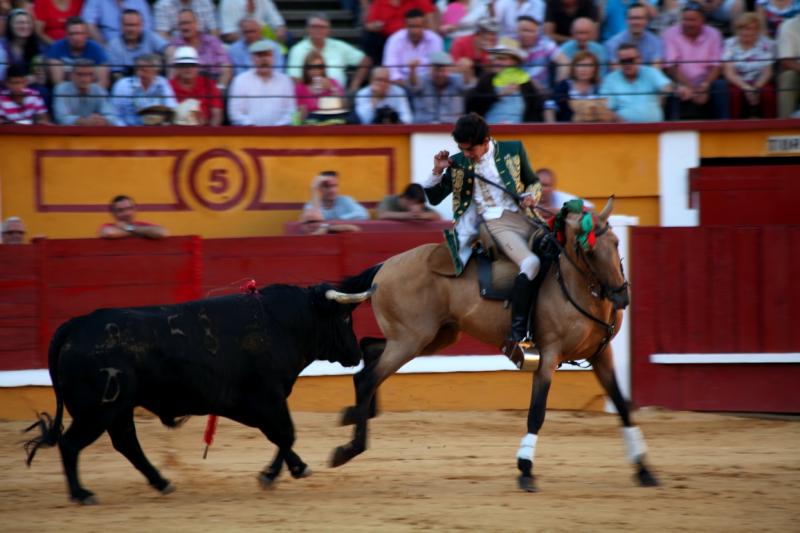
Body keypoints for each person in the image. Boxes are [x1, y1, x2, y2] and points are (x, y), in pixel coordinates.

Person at [423, 113, 546, 366]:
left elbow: (533, 183)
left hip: (522, 217)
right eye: (462, 149)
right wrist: (437, 169)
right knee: (531, 264)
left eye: (470, 149)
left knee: (554, 251)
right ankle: (517, 335)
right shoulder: (457, 163)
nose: (466, 154)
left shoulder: (513, 150)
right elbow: (434, 198)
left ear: (486, 140)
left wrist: (532, 196)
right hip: (490, 223)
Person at [662, 2, 728, 120]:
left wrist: (705, 85)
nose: (688, 24)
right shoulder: (670, 33)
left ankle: (724, 128)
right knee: (671, 88)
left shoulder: (714, 34)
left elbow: (717, 66)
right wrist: (690, 88)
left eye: (693, 20)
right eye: (685, 20)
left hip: (706, 82)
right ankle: (673, 129)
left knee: (720, 86)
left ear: (702, 21)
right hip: (681, 82)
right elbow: (671, 66)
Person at [287, 13, 371, 94]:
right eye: (314, 26)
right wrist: (318, 85)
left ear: (329, 30)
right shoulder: (297, 49)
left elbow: (366, 60)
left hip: (338, 99)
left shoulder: (339, 46)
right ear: (307, 29)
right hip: (309, 100)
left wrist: (355, 85)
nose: (318, 30)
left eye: (322, 27)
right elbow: (294, 79)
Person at [466, 40, 544, 124]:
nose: (497, 62)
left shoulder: (525, 81)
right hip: (491, 131)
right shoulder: (486, 79)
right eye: (495, 58)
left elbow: (535, 111)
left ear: (514, 61)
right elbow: (472, 107)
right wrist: (498, 95)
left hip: (520, 132)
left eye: (502, 59)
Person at [228, 39, 296, 126]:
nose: (264, 59)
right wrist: (254, 129)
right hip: (249, 135)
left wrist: (276, 129)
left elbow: (291, 112)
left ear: (274, 58)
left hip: (279, 135)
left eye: (267, 55)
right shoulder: (240, 80)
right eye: (259, 55)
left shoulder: (285, 81)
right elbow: (235, 113)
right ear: (252, 58)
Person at [600, 43, 673, 122]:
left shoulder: (651, 72)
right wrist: (625, 124)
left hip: (654, 130)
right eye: (623, 61)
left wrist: (669, 91)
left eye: (630, 60)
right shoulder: (611, 79)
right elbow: (605, 109)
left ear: (640, 59)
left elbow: (667, 87)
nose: (627, 64)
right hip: (623, 131)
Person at [722, 12, 777, 119]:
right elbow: (729, 73)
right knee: (734, 94)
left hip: (760, 81)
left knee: (768, 93)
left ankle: (771, 125)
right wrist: (746, 87)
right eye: (743, 28)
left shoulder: (766, 44)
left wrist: (755, 88)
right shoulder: (729, 44)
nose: (746, 32)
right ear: (737, 30)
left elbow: (767, 72)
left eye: (751, 29)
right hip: (738, 82)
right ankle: (733, 127)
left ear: (758, 31)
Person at [165, 8, 231, 86]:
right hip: (187, 87)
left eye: (188, 23)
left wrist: (220, 88)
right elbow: (173, 77)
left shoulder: (212, 41)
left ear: (197, 24)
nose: (184, 27)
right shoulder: (174, 46)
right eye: (181, 24)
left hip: (214, 85)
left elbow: (226, 68)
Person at [381, 8, 444, 86]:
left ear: (425, 25)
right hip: (400, 84)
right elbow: (390, 68)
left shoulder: (435, 39)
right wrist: (405, 85)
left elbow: (436, 67)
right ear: (404, 26)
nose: (414, 31)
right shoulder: (394, 40)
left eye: (418, 26)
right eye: (411, 27)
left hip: (428, 85)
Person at [111, 53, 177, 125]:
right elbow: (115, 115)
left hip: (157, 131)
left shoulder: (163, 84)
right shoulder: (123, 85)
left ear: (155, 71)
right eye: (138, 70)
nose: (140, 74)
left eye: (144, 70)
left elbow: (172, 107)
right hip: (128, 131)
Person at [106, 8, 169, 81]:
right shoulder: (113, 45)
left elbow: (169, 49)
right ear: (121, 26)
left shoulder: (150, 37)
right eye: (127, 25)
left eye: (134, 25)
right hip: (128, 85)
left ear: (141, 25)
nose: (130, 29)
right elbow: (116, 75)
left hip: (153, 81)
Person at [53, 58, 122, 125]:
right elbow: (61, 118)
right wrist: (84, 121)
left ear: (93, 77)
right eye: (80, 74)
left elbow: (112, 117)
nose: (84, 79)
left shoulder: (98, 90)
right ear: (71, 75)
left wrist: (102, 120)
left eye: (89, 74)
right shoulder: (61, 89)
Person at [46, 16, 109, 88]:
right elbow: (58, 83)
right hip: (66, 94)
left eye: (80, 33)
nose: (77, 38)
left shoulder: (96, 49)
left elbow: (103, 83)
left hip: (91, 94)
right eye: (73, 34)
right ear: (66, 35)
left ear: (87, 34)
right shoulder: (56, 48)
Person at [411, 50, 472, 124]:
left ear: (449, 70)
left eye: (443, 70)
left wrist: (467, 70)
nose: (439, 74)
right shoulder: (422, 79)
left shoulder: (456, 80)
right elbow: (414, 85)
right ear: (430, 69)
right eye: (436, 70)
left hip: (452, 125)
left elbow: (467, 86)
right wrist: (412, 70)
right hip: (424, 125)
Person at [168, 45, 223, 126]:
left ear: (198, 67)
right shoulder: (168, 86)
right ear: (177, 67)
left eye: (192, 65)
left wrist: (209, 135)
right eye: (183, 65)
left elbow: (217, 115)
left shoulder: (209, 84)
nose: (188, 69)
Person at [551, 51, 605, 122]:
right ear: (573, 68)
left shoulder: (599, 88)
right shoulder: (564, 86)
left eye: (588, 66)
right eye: (580, 65)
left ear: (594, 70)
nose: (584, 69)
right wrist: (553, 129)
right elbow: (549, 108)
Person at [604, 3, 663, 68]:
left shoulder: (655, 42)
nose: (636, 22)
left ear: (647, 21)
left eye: (640, 18)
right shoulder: (613, 43)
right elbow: (616, 72)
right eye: (632, 18)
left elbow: (656, 71)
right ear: (626, 21)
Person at [294, 50, 346, 121]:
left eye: (319, 67)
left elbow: (344, 106)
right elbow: (299, 117)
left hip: (332, 121)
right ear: (306, 69)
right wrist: (301, 113)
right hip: (311, 125)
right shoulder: (300, 88)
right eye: (311, 67)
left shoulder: (332, 82)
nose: (316, 71)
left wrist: (332, 88)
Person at [553, 17, 608, 82]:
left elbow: (601, 77)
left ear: (592, 34)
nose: (582, 37)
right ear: (572, 33)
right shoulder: (563, 50)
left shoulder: (600, 50)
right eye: (579, 33)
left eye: (586, 33)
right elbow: (561, 79)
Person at [517, 15, 560, 93]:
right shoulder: (511, 44)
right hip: (517, 92)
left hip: (542, 93)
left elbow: (564, 62)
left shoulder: (545, 43)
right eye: (523, 30)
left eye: (530, 31)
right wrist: (529, 80)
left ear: (537, 32)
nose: (526, 34)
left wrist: (559, 85)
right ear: (517, 31)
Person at [303, 171, 370, 221]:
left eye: (335, 186)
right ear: (320, 188)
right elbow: (313, 221)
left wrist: (336, 221)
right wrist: (314, 189)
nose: (332, 190)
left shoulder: (345, 200)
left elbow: (363, 215)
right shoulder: (311, 204)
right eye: (327, 186)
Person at [80, 0, 153, 44]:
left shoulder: (139, 1)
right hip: (105, 46)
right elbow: (88, 24)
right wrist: (104, 46)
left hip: (136, 47)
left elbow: (146, 28)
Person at [98, 195, 168, 239]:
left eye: (129, 208)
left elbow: (162, 232)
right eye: (120, 210)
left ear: (135, 209)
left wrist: (127, 228)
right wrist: (145, 233)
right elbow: (109, 233)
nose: (126, 213)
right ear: (113, 213)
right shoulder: (109, 226)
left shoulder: (142, 224)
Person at [218, 0, 286, 45]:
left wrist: (279, 30)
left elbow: (277, 21)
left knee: (287, 36)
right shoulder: (228, 2)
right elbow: (228, 35)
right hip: (241, 42)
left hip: (264, 39)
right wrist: (252, 36)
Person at [377, 183, 441, 221]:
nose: (417, 206)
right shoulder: (389, 200)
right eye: (414, 203)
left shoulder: (419, 204)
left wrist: (420, 215)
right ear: (406, 198)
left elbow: (438, 216)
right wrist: (408, 215)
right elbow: (381, 215)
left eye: (419, 203)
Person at [777, 12, 800, 117]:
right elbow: (786, 61)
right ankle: (784, 123)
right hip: (798, 73)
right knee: (788, 76)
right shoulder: (788, 26)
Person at [297, 207, 362, 234]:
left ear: (322, 222)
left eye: (316, 221)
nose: (312, 224)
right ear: (302, 225)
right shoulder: (299, 235)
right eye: (309, 222)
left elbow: (355, 229)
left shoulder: (326, 229)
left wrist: (327, 228)